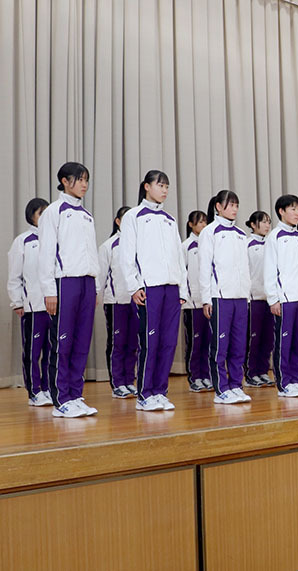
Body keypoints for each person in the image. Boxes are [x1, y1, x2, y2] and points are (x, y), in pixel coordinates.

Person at [119, 170, 188, 412]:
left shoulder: (169, 219)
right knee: (150, 341)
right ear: (147, 186)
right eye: (160, 185)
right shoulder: (133, 216)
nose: (165, 190)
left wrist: (182, 288)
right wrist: (134, 285)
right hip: (149, 288)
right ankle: (145, 394)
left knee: (169, 341)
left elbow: (179, 257)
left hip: (171, 288)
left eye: (167, 186)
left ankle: (160, 391)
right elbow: (127, 254)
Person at [39, 162, 100, 417]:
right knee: (62, 342)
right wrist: (49, 290)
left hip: (87, 282)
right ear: (65, 181)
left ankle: (75, 394)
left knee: (81, 341)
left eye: (86, 179)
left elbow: (91, 253)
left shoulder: (87, 215)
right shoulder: (54, 212)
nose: (84, 184)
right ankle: (60, 398)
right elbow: (46, 253)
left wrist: (95, 286)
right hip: (65, 282)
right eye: (80, 179)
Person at [199, 190, 252, 405]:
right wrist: (206, 298)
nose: (234, 209)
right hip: (220, 297)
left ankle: (236, 385)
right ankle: (221, 389)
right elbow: (204, 267)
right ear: (218, 207)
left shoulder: (241, 234)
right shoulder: (209, 232)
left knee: (239, 345)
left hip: (240, 297)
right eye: (230, 205)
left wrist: (247, 294)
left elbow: (245, 268)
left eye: (236, 205)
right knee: (220, 346)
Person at [263, 194, 298, 398]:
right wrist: (273, 298)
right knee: (284, 342)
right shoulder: (274, 237)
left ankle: (295, 379)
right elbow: (269, 270)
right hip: (285, 299)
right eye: (292, 209)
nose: (296, 213)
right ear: (281, 211)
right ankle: (284, 382)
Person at [7, 198, 52, 406]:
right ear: (31, 216)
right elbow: (15, 275)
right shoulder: (22, 241)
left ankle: (49, 388)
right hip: (33, 307)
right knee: (33, 351)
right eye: (40, 214)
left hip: (55, 306)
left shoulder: (55, 240)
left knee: (53, 351)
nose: (43, 218)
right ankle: (35, 392)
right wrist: (17, 301)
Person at [96, 206, 138, 398]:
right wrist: (97, 296)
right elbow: (101, 276)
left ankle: (129, 380)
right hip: (116, 302)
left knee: (133, 343)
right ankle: (117, 383)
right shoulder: (109, 246)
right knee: (117, 343)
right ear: (118, 221)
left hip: (136, 301)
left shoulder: (140, 243)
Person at [182, 210, 213, 392]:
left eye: (204, 222)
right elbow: (181, 274)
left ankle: (206, 375)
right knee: (195, 342)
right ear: (191, 225)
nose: (202, 225)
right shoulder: (185, 246)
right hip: (192, 304)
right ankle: (195, 377)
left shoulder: (208, 244)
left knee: (209, 341)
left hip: (207, 301)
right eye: (199, 222)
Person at [244, 210, 275, 388]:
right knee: (253, 339)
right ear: (253, 225)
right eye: (263, 222)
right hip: (253, 299)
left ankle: (263, 371)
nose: (266, 225)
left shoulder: (271, 244)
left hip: (269, 299)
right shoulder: (247, 244)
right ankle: (251, 373)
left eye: (268, 222)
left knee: (268, 338)